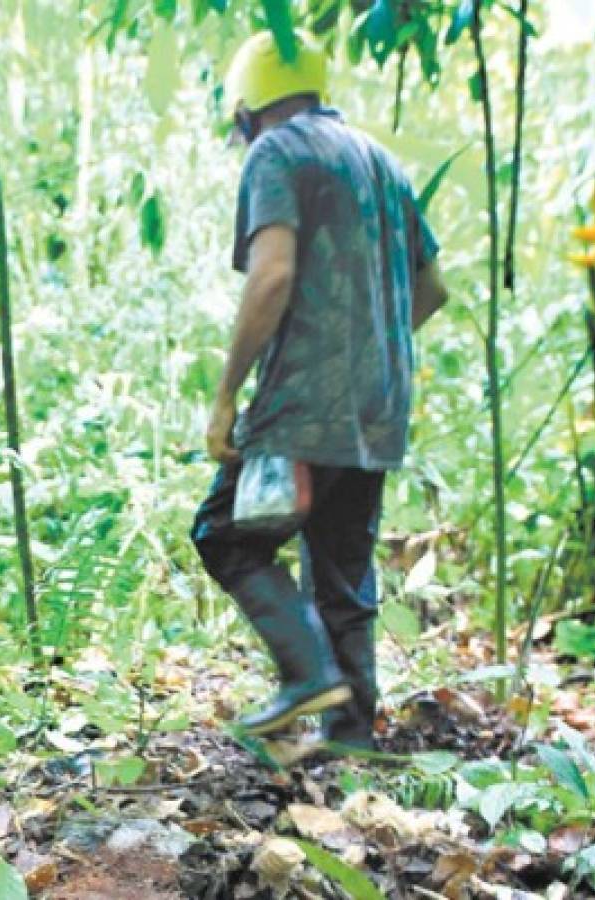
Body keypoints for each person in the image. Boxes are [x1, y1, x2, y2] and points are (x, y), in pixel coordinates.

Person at [191, 31, 449, 746]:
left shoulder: (276, 152)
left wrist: (225, 395)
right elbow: (431, 288)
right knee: (341, 572)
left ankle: (306, 675)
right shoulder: (381, 162)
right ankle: (350, 741)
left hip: (301, 406)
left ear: (246, 105)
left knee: (225, 537)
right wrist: (366, 352)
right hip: (376, 407)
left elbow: (270, 275)